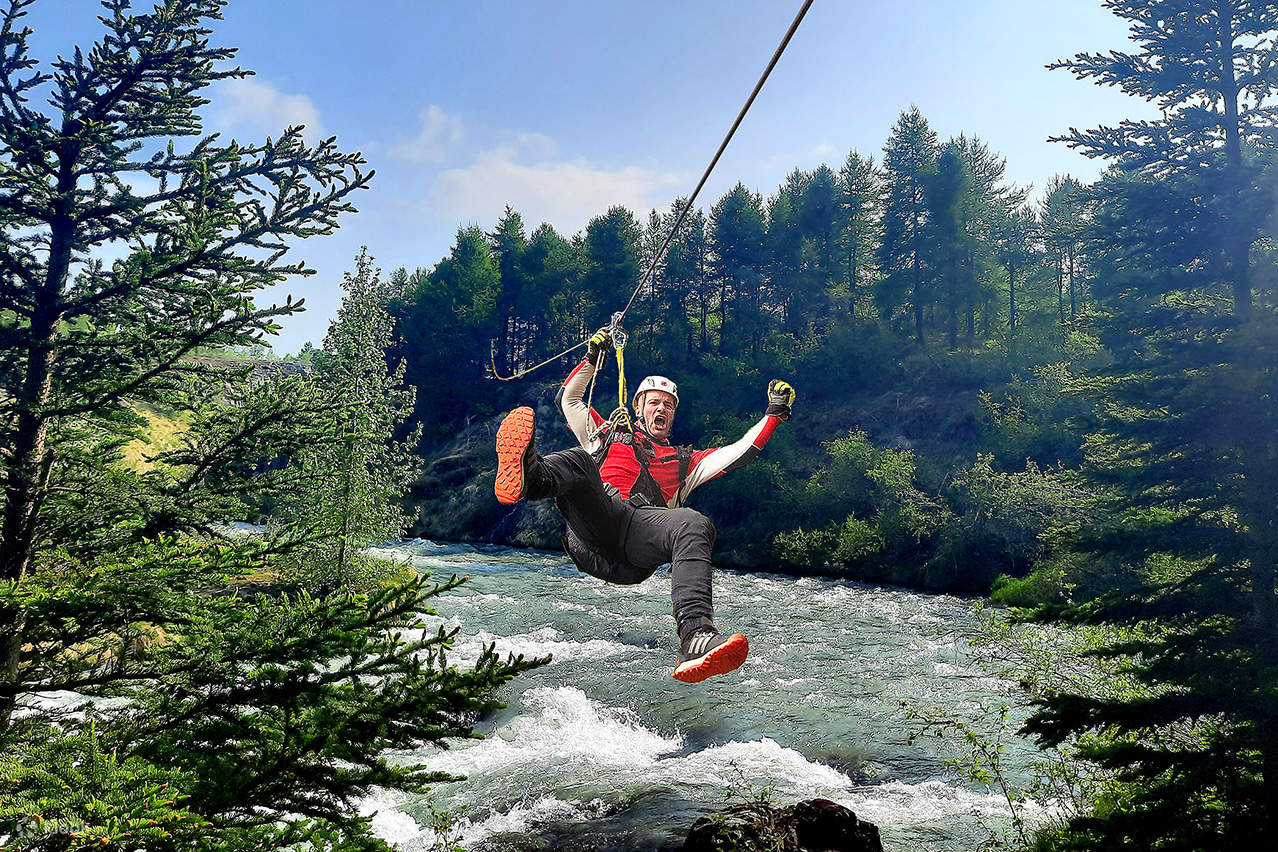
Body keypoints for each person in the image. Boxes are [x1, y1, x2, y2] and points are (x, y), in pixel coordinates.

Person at [493, 327, 796, 683]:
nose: (661, 408)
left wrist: (773, 415)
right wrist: (592, 357)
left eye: (668, 405)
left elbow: (737, 452)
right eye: (654, 401)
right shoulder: (603, 432)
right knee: (579, 459)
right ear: (638, 407)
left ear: (672, 416)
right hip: (595, 529)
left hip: (636, 547)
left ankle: (696, 637)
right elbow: (570, 400)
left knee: (693, 523)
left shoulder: (685, 461)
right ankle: (529, 477)